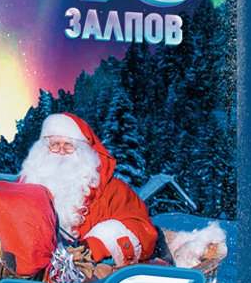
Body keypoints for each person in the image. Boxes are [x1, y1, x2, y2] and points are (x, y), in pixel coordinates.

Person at [19, 112, 156, 268]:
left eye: (69, 145)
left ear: (83, 151)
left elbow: (144, 233)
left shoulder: (114, 190)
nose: (62, 151)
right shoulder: (27, 188)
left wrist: (97, 245)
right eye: (55, 145)